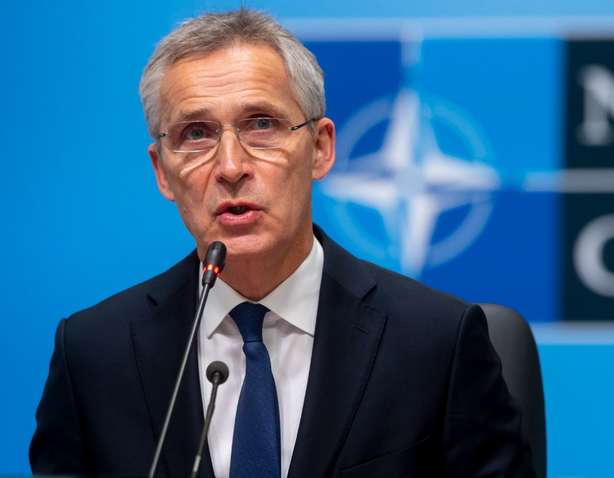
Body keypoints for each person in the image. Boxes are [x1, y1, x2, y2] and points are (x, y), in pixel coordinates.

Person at [30, 8, 534, 478]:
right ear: (162, 171)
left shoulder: (435, 342)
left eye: (261, 124)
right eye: (196, 133)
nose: (230, 167)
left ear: (320, 148)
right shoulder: (94, 355)